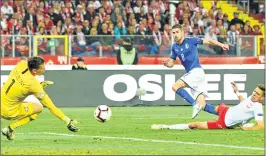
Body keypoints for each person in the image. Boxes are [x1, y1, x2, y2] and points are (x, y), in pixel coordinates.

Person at [1, 56, 79, 140]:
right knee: (39, 107)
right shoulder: (33, 85)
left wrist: (40, 86)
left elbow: (22, 86)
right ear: (34, 70)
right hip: (8, 111)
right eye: (42, 68)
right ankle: (10, 129)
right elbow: (50, 105)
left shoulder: (20, 65)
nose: (44, 69)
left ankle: (9, 129)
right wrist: (66, 119)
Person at [163, 24, 229, 119]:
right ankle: (227, 115)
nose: (175, 34)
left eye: (177, 32)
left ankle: (194, 104)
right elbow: (171, 63)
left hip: (196, 72)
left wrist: (222, 44)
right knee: (203, 105)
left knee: (175, 86)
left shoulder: (191, 40)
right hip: (195, 75)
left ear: (182, 32)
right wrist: (167, 64)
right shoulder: (174, 47)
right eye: (173, 33)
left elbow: (209, 40)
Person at [152, 82, 265, 131]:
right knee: (203, 106)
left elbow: (261, 126)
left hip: (223, 123)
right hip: (226, 110)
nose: (254, 94)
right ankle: (196, 102)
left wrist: (249, 128)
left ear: (262, 98)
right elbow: (244, 103)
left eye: (257, 94)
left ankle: (166, 127)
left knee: (194, 125)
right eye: (254, 92)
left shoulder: (258, 108)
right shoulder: (252, 98)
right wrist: (237, 92)